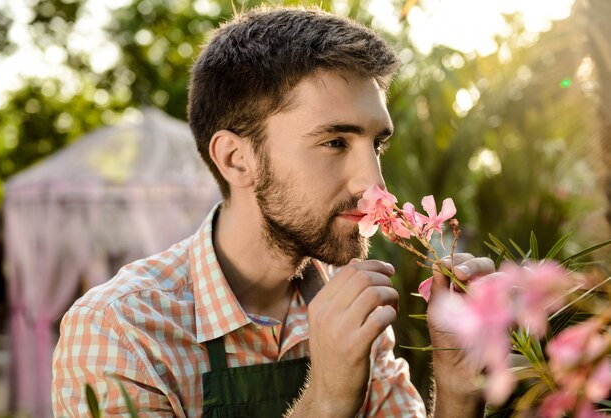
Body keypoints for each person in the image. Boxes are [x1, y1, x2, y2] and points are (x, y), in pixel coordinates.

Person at [52, 6, 494, 417]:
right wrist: (325, 400)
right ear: (235, 159)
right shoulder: (122, 331)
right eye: (335, 142)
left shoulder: (350, 298)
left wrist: (458, 391)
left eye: (376, 144)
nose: (374, 185)